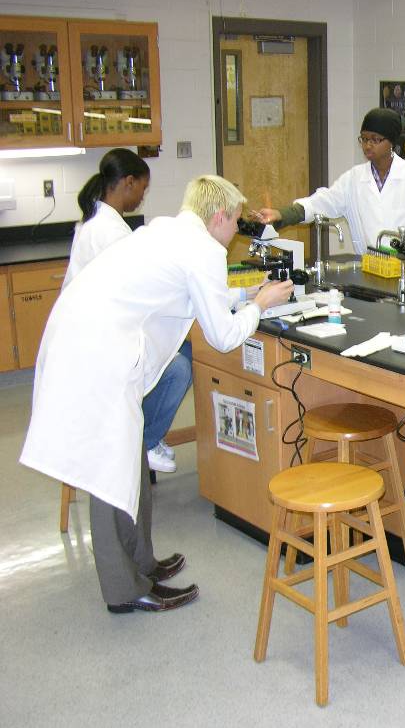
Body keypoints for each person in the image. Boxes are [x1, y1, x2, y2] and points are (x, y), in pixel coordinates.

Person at [20, 175, 293, 614]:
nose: (235, 233)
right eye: (236, 222)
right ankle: (125, 590)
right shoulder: (202, 248)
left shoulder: (167, 230)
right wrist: (258, 306)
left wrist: (250, 293)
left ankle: (141, 562)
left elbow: (197, 293)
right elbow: (223, 337)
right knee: (109, 471)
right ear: (219, 215)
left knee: (130, 460)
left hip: (82, 340)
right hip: (95, 359)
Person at [65, 148, 187, 474]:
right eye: (142, 190)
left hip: (94, 332)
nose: (141, 199)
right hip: (100, 343)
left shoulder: (97, 221)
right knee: (177, 368)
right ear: (128, 182)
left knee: (181, 347)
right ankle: (143, 443)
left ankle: (145, 435)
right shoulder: (110, 231)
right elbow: (138, 289)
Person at [254, 107, 405, 258]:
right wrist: (282, 214)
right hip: (372, 270)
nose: (367, 145)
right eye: (364, 139)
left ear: (391, 142)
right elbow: (321, 203)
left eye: (375, 139)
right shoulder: (354, 180)